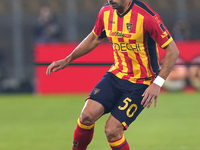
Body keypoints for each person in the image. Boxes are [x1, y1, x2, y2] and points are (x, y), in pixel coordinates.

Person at [46, 0, 179, 149]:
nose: (110, 0)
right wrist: (68, 59)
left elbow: (173, 50)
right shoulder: (105, 12)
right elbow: (95, 37)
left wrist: (157, 83)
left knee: (112, 130)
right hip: (116, 75)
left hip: (141, 83)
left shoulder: (146, 17)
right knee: (87, 116)